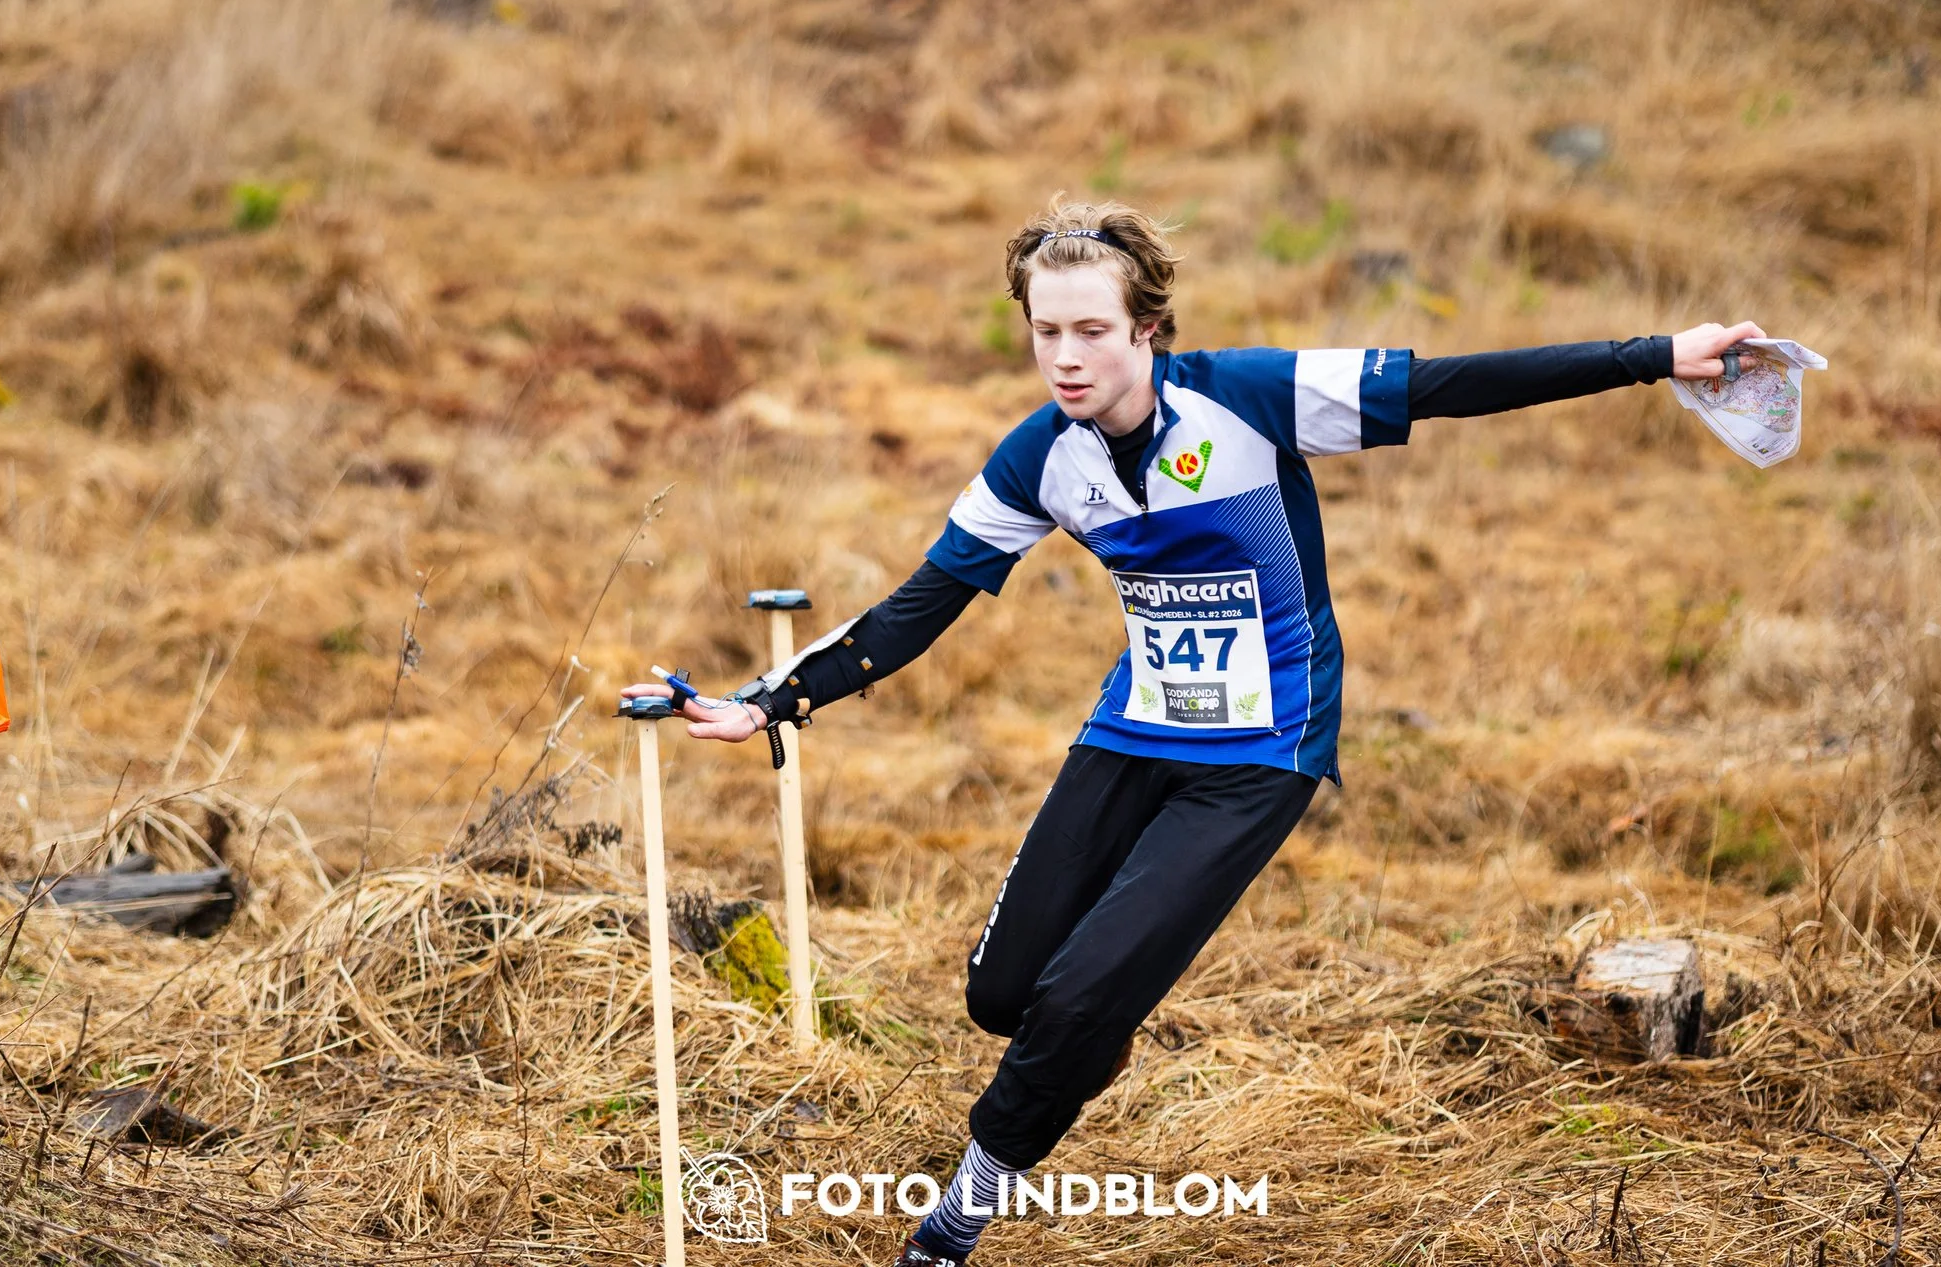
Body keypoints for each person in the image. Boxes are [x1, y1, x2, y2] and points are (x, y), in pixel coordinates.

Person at [630, 198, 1766, 1267]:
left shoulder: (1252, 398)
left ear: (1147, 329)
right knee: (1001, 995)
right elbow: (924, 598)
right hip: (1138, 723)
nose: (1067, 357)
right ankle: (1092, 1025)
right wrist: (778, 700)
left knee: (1072, 1004)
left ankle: (958, 1214)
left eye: (1091, 330)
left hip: (1265, 742)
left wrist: (1656, 353)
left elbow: (1450, 383)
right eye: (1043, 333)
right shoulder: (1041, 454)